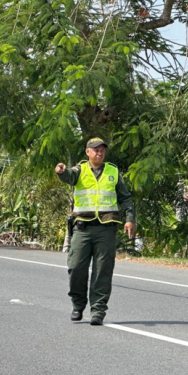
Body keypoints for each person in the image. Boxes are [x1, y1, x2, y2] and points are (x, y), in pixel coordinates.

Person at [55, 137, 136, 326]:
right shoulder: (79, 170)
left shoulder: (113, 172)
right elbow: (68, 176)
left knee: (102, 270)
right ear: (88, 152)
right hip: (82, 228)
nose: (99, 153)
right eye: (95, 150)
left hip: (106, 229)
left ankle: (98, 310)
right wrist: (61, 171)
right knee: (76, 266)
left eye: (102, 150)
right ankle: (78, 305)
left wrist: (130, 219)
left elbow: (125, 198)